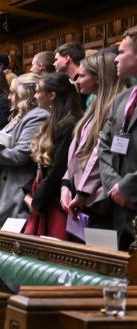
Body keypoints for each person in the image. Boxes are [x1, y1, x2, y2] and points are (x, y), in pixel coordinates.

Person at [63, 52, 123, 230]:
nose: (77, 80)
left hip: (99, 200)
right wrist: (66, 184)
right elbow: (79, 151)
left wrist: (82, 192)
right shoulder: (94, 104)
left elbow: (100, 154)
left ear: (98, 77)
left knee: (101, 253)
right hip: (82, 197)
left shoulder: (115, 106)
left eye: (82, 76)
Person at [23, 72, 83, 240]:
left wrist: (37, 201)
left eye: (38, 91)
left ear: (52, 95)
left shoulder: (69, 123)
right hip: (45, 193)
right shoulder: (56, 120)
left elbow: (59, 168)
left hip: (56, 199)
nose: (35, 96)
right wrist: (30, 191)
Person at [0, 73, 48, 228]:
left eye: (13, 93)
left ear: (24, 95)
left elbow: (21, 155)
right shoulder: (19, 116)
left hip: (17, 191)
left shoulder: (37, 116)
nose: (9, 97)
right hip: (7, 187)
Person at [98, 26, 137, 250]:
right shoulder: (121, 98)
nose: (115, 59)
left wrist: (128, 187)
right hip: (119, 206)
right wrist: (114, 185)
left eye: (122, 52)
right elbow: (104, 145)